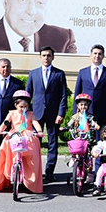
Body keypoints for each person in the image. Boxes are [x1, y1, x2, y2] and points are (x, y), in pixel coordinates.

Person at [26, 46, 68, 182]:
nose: (46, 58)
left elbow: (63, 95)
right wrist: (29, 114)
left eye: (49, 55)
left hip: (53, 114)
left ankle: (49, 172)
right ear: (40, 57)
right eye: (44, 55)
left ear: (53, 57)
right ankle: (35, 171)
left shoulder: (59, 74)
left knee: (53, 143)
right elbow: (27, 95)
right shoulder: (33, 74)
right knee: (34, 143)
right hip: (36, 115)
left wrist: (61, 113)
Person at [0, 90, 44, 193]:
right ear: (15, 105)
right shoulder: (12, 113)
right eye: (21, 107)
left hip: (27, 136)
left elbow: (35, 123)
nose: (24, 109)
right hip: (15, 135)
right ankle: (6, 177)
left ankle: (30, 181)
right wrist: (0, 130)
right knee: (6, 149)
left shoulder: (30, 114)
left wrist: (39, 131)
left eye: (26, 106)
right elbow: (5, 123)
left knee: (30, 154)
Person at [74, 44, 106, 140]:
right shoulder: (83, 72)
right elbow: (77, 94)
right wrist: (75, 113)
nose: (97, 56)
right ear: (91, 55)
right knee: (84, 141)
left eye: (99, 54)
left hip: (103, 113)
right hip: (85, 113)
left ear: (103, 56)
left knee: (101, 141)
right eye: (95, 53)